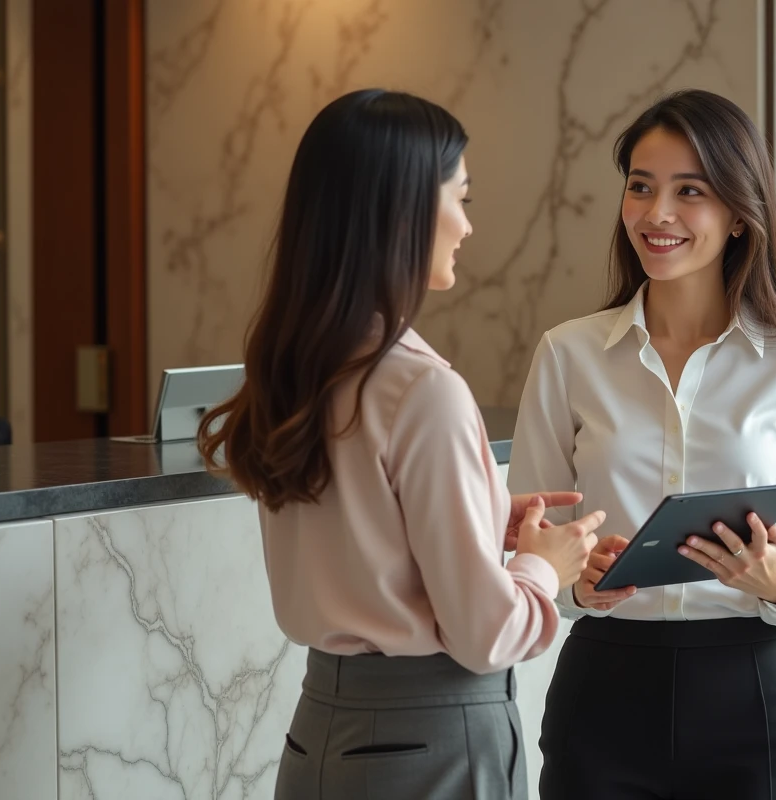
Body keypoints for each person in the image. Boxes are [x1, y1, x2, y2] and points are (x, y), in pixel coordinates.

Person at [196, 89, 605, 800]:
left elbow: (364, 536)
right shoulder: (422, 390)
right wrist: (543, 568)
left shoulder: (291, 374)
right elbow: (485, 634)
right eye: (461, 199)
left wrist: (484, 521)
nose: (468, 226)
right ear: (404, 211)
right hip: (433, 740)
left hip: (317, 732)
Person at [508, 89, 776, 800]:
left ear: (740, 214)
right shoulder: (568, 355)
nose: (656, 214)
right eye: (641, 187)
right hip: (601, 692)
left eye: (689, 191)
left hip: (749, 693)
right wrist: (576, 581)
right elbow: (527, 537)